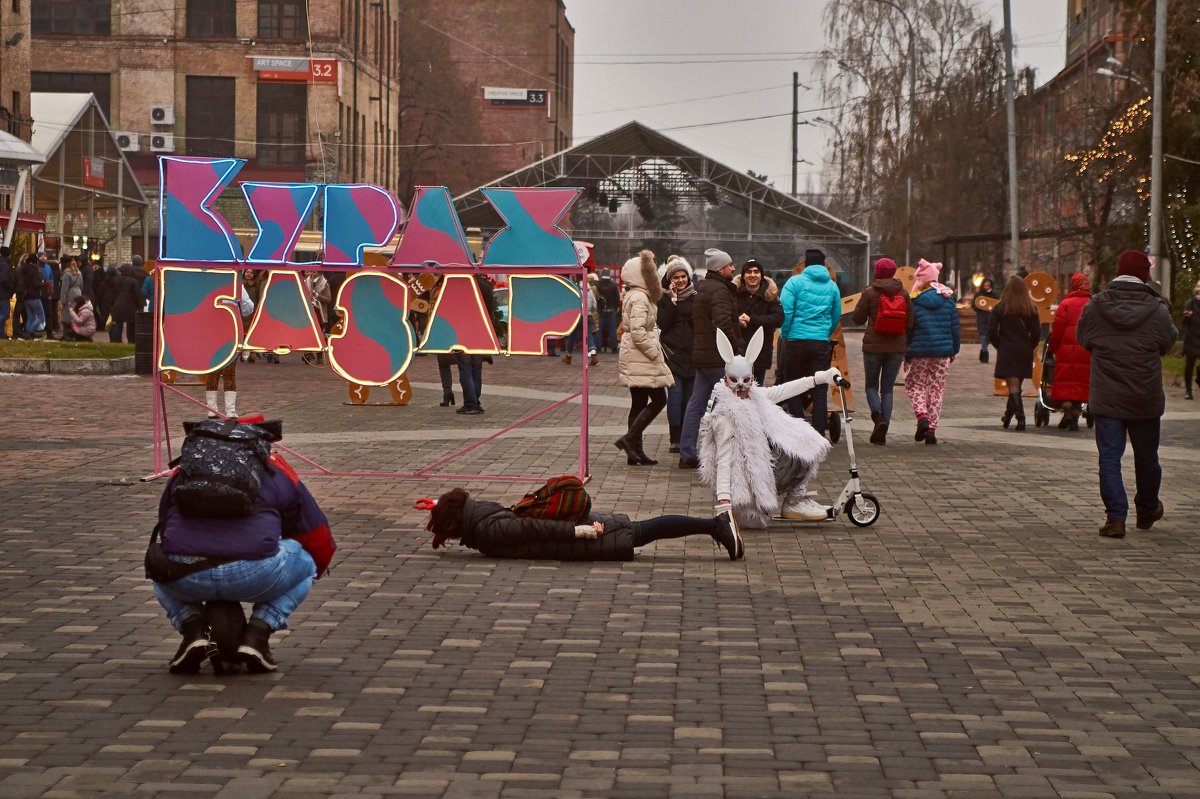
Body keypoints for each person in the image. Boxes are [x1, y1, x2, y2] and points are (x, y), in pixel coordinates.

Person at [150, 418, 335, 673]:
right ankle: (258, 633)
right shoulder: (275, 470)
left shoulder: (183, 471)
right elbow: (315, 531)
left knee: (157, 563)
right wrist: (317, 568)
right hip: (254, 574)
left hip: (185, 576)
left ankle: (193, 629)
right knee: (307, 561)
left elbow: (165, 523)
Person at [1075, 250, 1177, 539]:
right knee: (1147, 456)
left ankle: (1116, 518)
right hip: (1144, 395)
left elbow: (1084, 339)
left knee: (1109, 458)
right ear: (1144, 275)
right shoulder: (1158, 309)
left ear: (1118, 271)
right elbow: (1168, 342)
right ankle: (1147, 510)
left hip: (1108, 395)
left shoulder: (1095, 307)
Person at [699, 327, 843, 528]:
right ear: (726, 380)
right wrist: (724, 506)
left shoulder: (753, 395)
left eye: (746, 381)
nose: (741, 387)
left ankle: (796, 500)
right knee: (799, 448)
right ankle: (794, 501)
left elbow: (780, 391)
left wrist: (818, 378)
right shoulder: (725, 415)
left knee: (805, 439)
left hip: (757, 475)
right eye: (735, 381)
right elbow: (723, 461)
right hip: (744, 490)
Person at [425, 487, 743, 562]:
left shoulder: (484, 530)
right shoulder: (477, 511)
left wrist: (580, 532)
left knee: (646, 530)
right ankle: (714, 526)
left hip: (581, 537)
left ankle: (716, 526)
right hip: (578, 533)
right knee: (647, 531)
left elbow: (532, 530)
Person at [678, 248, 742, 469]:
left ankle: (686, 451)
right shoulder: (720, 291)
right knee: (727, 405)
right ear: (720, 268)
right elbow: (722, 323)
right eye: (730, 265)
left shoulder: (703, 288)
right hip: (717, 357)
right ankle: (720, 452)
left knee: (696, 403)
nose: (733, 268)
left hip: (702, 355)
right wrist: (737, 348)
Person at [615, 250, 673, 465]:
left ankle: (634, 451)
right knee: (659, 399)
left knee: (638, 402)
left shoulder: (636, 294)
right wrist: (653, 352)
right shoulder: (640, 297)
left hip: (635, 355)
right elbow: (639, 331)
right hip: (641, 356)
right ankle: (631, 441)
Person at [778, 249, 842, 433]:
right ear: (823, 264)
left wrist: (787, 333)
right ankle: (819, 433)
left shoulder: (794, 283)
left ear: (805, 264)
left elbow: (786, 312)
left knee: (793, 386)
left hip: (795, 341)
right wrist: (824, 333)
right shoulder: (832, 287)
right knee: (820, 388)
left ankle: (800, 432)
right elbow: (835, 315)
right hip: (820, 342)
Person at [852, 257, 912, 445]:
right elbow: (910, 322)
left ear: (876, 272)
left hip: (873, 347)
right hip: (896, 347)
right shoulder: (903, 293)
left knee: (871, 386)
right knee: (887, 389)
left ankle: (877, 418)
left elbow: (858, 319)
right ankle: (884, 425)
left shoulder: (869, 292)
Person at [904, 259, 960, 445]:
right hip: (943, 353)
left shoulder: (914, 301)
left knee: (915, 384)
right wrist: (954, 350)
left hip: (919, 352)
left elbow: (910, 328)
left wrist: (907, 350)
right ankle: (932, 431)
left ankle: (922, 417)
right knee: (937, 388)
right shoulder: (948, 300)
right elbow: (954, 328)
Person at [988, 275, 1041, 431]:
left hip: (1007, 349)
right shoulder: (1031, 308)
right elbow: (1037, 333)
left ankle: (1021, 419)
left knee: (1013, 386)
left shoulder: (1000, 308)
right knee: (1016, 385)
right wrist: (1030, 346)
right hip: (1024, 351)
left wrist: (999, 345)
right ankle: (1008, 415)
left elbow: (991, 331)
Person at [657, 257, 696, 453]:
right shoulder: (664, 298)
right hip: (672, 355)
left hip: (692, 355)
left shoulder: (695, 297)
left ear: (688, 278)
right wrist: (672, 301)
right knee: (675, 395)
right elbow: (663, 324)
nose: (680, 280)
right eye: (676, 277)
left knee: (690, 399)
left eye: (683, 276)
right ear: (669, 280)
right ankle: (674, 438)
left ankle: (687, 436)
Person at [1047, 273, 1093, 429]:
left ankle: (1066, 407)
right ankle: (1075, 417)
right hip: (1086, 349)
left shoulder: (1065, 304)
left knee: (1066, 382)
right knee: (1080, 383)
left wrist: (1053, 349)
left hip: (1066, 350)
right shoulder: (1093, 304)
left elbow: (1057, 331)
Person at [205, 284, 255, 418]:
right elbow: (248, 307)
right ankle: (230, 410)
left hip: (212, 330)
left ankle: (211, 408)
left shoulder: (209, 282)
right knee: (229, 371)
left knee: (213, 369)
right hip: (232, 329)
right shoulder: (236, 282)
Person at [733, 258, 784, 387]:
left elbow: (778, 319)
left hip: (760, 352)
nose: (752, 275)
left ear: (761, 275)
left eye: (756, 271)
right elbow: (724, 314)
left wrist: (752, 320)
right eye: (749, 272)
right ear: (743, 276)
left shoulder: (770, 296)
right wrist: (736, 320)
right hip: (736, 352)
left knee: (756, 391)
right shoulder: (733, 294)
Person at [107, 263, 142, 343]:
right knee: (131, 325)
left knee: (117, 324)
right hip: (130, 307)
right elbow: (137, 295)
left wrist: (112, 305)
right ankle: (131, 341)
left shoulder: (116, 280)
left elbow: (113, 294)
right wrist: (140, 305)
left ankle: (116, 341)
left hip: (117, 306)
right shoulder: (133, 281)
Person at [16, 253, 46, 339]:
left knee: (30, 317)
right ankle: (30, 332)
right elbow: (36, 284)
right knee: (41, 316)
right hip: (34, 296)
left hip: (25, 296)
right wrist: (44, 283)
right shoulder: (34, 269)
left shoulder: (21, 269)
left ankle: (27, 333)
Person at [1181, 279, 1200, 400]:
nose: (1199, 288)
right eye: (1198, 285)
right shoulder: (1190, 302)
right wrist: (1186, 316)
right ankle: (1188, 390)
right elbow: (1184, 322)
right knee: (1189, 365)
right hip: (1192, 338)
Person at [973, 277, 999, 363]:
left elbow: (998, 305)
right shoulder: (979, 294)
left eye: (988, 283)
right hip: (982, 318)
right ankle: (985, 353)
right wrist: (979, 307)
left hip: (992, 318)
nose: (987, 285)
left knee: (988, 336)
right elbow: (974, 305)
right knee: (983, 335)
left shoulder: (995, 294)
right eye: (985, 283)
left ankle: (983, 350)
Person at [596, 268, 621, 352]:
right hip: (611, 310)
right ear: (609, 274)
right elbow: (617, 298)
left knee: (599, 329)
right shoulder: (613, 285)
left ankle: (598, 347)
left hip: (600, 311)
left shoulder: (597, 285)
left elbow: (596, 297)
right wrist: (616, 307)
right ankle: (614, 347)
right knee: (612, 329)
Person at [58, 257, 83, 336]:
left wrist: (62, 301)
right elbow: (82, 285)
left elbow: (64, 288)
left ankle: (67, 334)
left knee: (67, 315)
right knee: (75, 314)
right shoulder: (79, 272)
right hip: (78, 293)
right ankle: (75, 332)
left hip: (70, 294)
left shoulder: (67, 274)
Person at [0, 246, 12, 339]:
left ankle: (1, 334)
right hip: (3, 293)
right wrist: (11, 287)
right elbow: (4, 279)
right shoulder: (4, 264)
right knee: (5, 313)